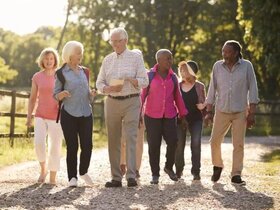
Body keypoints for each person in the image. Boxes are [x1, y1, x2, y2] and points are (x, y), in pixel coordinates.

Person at [96, 28, 148, 188]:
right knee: (113, 139)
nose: (115, 44)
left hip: (132, 100)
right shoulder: (107, 60)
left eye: (118, 41)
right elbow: (99, 83)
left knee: (131, 137)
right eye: (113, 41)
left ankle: (131, 176)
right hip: (112, 101)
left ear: (125, 40)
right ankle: (116, 178)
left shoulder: (136, 57)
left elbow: (145, 81)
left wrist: (131, 80)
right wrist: (107, 89)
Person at [205, 40, 259, 186]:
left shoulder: (247, 66)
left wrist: (252, 113)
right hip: (221, 110)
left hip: (240, 110)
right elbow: (212, 88)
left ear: (236, 53)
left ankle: (236, 174)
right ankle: (217, 165)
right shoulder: (217, 66)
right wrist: (209, 111)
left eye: (227, 51)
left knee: (238, 144)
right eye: (223, 51)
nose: (224, 54)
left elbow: (253, 88)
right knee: (214, 141)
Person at [141, 49, 188, 185]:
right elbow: (142, 96)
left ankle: (168, 167)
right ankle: (155, 174)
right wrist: (139, 114)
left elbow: (178, 97)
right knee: (154, 145)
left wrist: (183, 115)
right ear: (159, 61)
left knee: (173, 141)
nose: (170, 61)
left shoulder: (173, 77)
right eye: (167, 58)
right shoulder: (149, 76)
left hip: (169, 114)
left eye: (171, 58)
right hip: (152, 115)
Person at [54, 40, 96, 187]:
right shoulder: (60, 73)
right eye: (78, 53)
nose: (81, 55)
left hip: (86, 113)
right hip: (69, 114)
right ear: (70, 55)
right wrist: (62, 94)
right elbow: (55, 94)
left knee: (88, 146)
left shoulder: (85, 71)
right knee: (72, 146)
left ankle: (83, 171)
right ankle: (72, 177)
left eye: (81, 52)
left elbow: (87, 93)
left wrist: (92, 93)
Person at [26, 47, 63, 185]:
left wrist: (62, 103)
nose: (49, 61)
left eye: (51, 59)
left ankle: (53, 177)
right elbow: (32, 98)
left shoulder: (60, 75)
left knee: (55, 146)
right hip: (40, 114)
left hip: (56, 116)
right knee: (39, 143)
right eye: (46, 58)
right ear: (42, 60)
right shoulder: (37, 76)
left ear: (55, 60)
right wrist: (29, 116)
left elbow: (65, 93)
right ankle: (43, 169)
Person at [175, 60, 206, 181]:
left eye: (185, 70)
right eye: (181, 70)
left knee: (196, 143)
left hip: (195, 119)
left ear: (192, 72)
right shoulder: (177, 85)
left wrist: (203, 105)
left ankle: (196, 171)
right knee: (179, 145)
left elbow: (203, 101)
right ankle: (178, 170)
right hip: (180, 119)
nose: (182, 72)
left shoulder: (200, 86)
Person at [120, 49, 146, 179]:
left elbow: (145, 97)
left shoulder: (144, 75)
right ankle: (122, 163)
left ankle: (135, 169)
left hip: (140, 112)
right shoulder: (125, 72)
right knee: (123, 140)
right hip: (124, 111)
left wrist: (142, 113)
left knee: (138, 142)